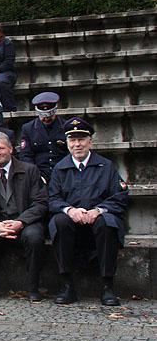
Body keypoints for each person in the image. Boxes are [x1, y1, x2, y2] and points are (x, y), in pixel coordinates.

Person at [48, 118, 129, 306]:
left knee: (107, 223)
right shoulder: (60, 168)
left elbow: (120, 196)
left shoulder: (106, 166)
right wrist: (70, 210)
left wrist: (98, 211)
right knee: (59, 222)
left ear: (90, 142)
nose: (77, 144)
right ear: (67, 143)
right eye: (72, 140)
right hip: (71, 222)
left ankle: (107, 286)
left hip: (98, 220)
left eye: (81, 139)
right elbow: (53, 199)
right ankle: (67, 285)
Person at [0, 132, 48, 301]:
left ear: (11, 149)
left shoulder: (30, 170)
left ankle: (33, 288)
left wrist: (20, 222)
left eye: (1, 148)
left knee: (34, 237)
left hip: (25, 221)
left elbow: (40, 203)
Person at [17, 92, 68, 182]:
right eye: (43, 116)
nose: (46, 119)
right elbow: (25, 155)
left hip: (63, 174)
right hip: (38, 175)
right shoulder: (28, 128)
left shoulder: (66, 126)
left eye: (49, 116)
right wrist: (35, 175)